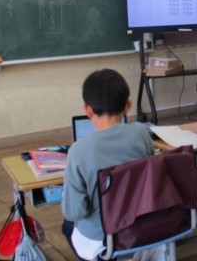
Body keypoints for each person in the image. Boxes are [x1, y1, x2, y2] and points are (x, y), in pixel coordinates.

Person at [61, 69, 154, 261]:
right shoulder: (141, 133)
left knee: (67, 225)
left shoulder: (78, 151)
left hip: (102, 239)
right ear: (128, 106)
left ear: (87, 110)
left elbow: (75, 212)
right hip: (139, 227)